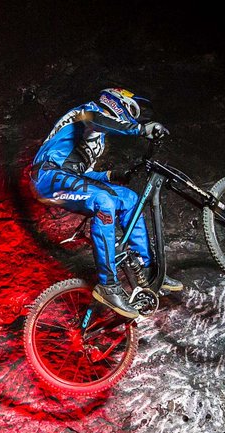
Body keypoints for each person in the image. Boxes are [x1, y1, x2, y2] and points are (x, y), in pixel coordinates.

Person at [30, 87, 182, 318]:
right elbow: (96, 120)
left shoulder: (97, 140)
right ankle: (108, 285)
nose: (131, 117)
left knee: (129, 198)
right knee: (104, 201)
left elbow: (83, 175)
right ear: (117, 101)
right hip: (47, 176)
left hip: (67, 178)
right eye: (131, 111)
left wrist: (113, 175)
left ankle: (149, 271)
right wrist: (140, 129)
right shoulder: (87, 112)